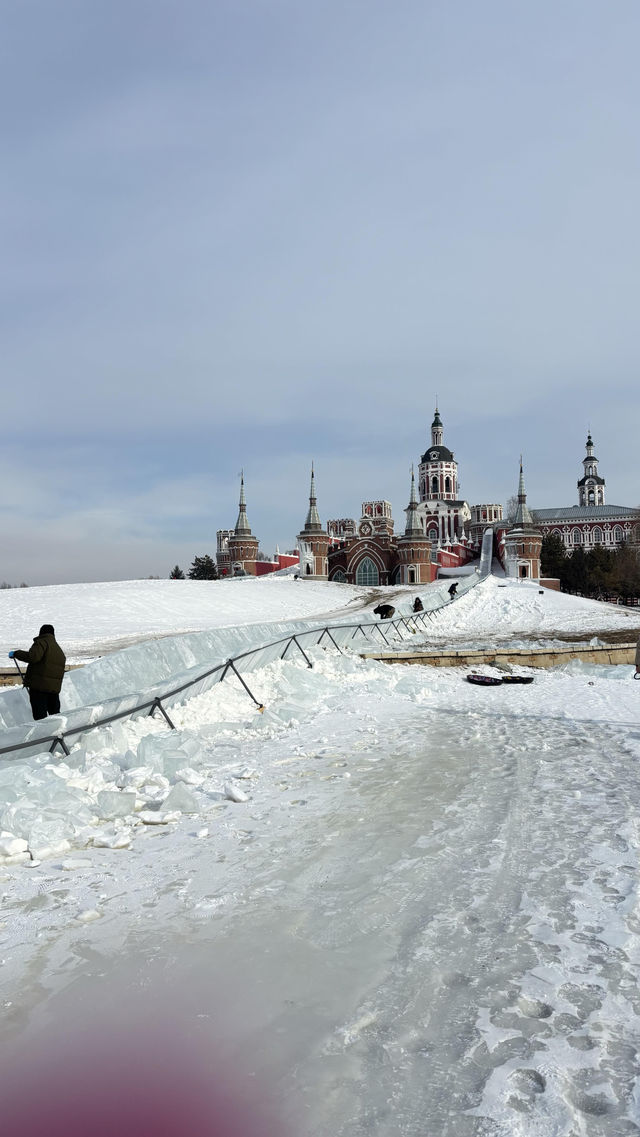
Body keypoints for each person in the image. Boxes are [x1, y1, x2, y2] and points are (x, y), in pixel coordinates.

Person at [9, 624, 66, 720]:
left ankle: (43, 734)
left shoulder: (41, 642)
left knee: (40, 717)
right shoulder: (58, 649)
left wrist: (16, 653)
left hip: (39, 688)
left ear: (41, 633)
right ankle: (58, 734)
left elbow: (33, 656)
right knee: (55, 715)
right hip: (53, 690)